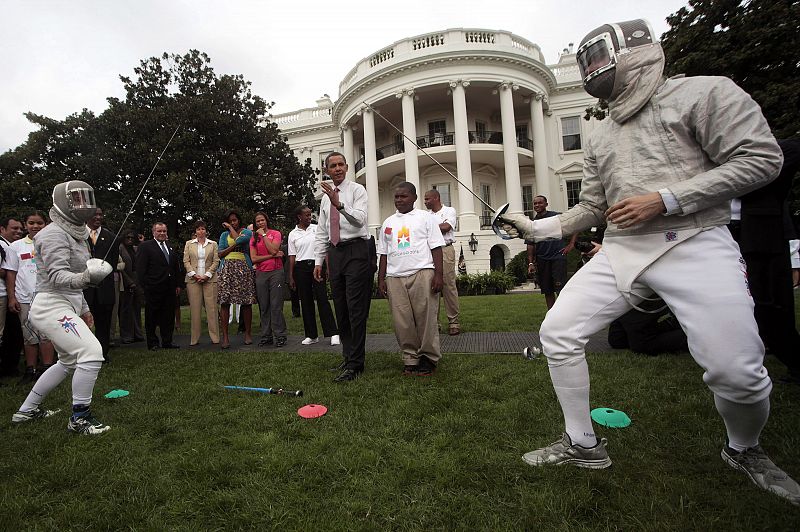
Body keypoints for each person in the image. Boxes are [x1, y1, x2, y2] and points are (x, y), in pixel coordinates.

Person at [498, 19, 799, 504]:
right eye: (587, 62)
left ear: (634, 51)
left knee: (737, 372)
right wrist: (539, 228)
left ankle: (745, 448)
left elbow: (761, 158)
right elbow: (594, 206)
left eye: (599, 57)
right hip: (622, 249)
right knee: (558, 332)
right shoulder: (599, 133)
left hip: (696, 240)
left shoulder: (705, 93)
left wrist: (666, 199)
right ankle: (583, 443)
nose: (593, 68)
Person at [11, 180, 113, 434]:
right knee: (91, 352)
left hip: (67, 303)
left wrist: (85, 307)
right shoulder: (53, 233)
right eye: (76, 199)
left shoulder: (76, 233)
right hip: (50, 305)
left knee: (67, 361)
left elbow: (76, 277)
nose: (83, 205)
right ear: (63, 201)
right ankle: (79, 419)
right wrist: (89, 279)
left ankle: (26, 411)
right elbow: (57, 277)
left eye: (85, 198)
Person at [728, 139, 800, 384]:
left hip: (761, 241)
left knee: (771, 307)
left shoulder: (771, 153)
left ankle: (794, 360)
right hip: (723, 235)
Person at [313, 152, 373, 382]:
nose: (337, 168)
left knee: (356, 308)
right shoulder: (325, 197)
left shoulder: (358, 190)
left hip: (357, 250)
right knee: (341, 309)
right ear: (327, 170)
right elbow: (322, 230)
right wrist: (319, 261)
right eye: (332, 166)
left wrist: (340, 205)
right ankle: (349, 357)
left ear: (347, 167)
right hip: (335, 253)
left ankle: (356, 363)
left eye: (340, 164)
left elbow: (360, 219)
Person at [378, 183, 444, 375]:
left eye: (403, 196)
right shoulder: (388, 222)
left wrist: (438, 274)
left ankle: (428, 358)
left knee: (426, 319)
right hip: (395, 277)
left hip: (422, 272)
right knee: (402, 321)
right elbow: (383, 252)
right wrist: (381, 278)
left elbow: (436, 247)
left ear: (414, 198)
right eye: (396, 197)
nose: (399, 200)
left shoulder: (426, 218)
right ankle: (410, 357)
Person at [5, 211, 56, 382]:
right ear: (25, 225)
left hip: (46, 296)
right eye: (31, 223)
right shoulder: (16, 246)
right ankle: (31, 369)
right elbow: (11, 273)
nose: (35, 226)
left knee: (46, 334)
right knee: (29, 336)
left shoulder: (51, 243)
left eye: (39, 223)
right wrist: (12, 297)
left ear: (45, 224)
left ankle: (48, 370)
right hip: (24, 297)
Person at [287, 205, 339, 346]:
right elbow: (292, 256)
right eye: (307, 215)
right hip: (301, 267)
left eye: (310, 215)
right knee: (305, 301)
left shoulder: (317, 229)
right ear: (299, 217)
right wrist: (291, 276)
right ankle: (311, 335)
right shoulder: (293, 234)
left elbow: (324, 248)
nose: (310, 217)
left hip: (317, 265)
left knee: (322, 298)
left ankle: (333, 333)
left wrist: (327, 267)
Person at [136, 222, 181, 351]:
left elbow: (174, 266)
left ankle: (167, 341)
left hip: (169, 287)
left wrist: (178, 284)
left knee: (168, 315)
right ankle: (153, 342)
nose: (162, 233)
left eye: (164, 231)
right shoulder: (146, 246)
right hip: (153, 287)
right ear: (153, 232)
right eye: (159, 231)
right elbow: (140, 268)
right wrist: (146, 285)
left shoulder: (169, 246)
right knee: (152, 316)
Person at [525, 196, 577, 310]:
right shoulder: (533, 224)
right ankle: (551, 314)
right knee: (547, 290)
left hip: (558, 257)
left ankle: (565, 313)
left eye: (540, 203)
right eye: (535, 204)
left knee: (560, 289)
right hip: (542, 259)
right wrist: (530, 263)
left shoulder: (556, 217)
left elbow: (575, 224)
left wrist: (571, 244)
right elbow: (530, 244)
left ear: (546, 204)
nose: (537, 205)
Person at [83, 208, 119, 362]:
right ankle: (84, 354)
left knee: (103, 323)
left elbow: (113, 262)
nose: (98, 217)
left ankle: (102, 354)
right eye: (94, 214)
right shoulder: (77, 234)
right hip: (83, 288)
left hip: (104, 288)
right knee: (84, 324)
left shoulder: (110, 237)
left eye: (100, 214)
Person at [217, 210, 255, 349]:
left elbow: (241, 240)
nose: (233, 222)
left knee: (246, 301)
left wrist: (231, 230)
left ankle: (248, 333)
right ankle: (225, 337)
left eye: (235, 220)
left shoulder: (247, 232)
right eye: (230, 221)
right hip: (226, 269)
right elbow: (220, 253)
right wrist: (234, 247)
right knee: (225, 302)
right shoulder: (223, 235)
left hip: (243, 269)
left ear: (239, 220)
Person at [423, 189, 460, 335]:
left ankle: (454, 322)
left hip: (445, 250)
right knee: (431, 287)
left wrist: (429, 228)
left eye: (427, 199)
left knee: (448, 286)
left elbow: (446, 227)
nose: (425, 202)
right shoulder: (426, 215)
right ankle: (434, 323)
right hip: (429, 251)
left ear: (436, 198)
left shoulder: (449, 211)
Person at [250, 211, 287, 348]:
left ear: (266, 221)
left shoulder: (275, 233)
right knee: (264, 305)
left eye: (262, 220)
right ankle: (266, 336)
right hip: (261, 273)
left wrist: (264, 235)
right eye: (258, 221)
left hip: (276, 272)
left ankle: (280, 335)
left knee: (276, 305)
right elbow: (254, 258)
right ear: (255, 224)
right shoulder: (253, 238)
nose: (260, 223)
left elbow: (273, 249)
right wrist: (273, 256)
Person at [182, 220, 220, 346]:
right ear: (195, 231)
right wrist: (194, 274)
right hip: (193, 280)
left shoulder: (213, 244)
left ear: (206, 230)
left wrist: (207, 275)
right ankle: (194, 339)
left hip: (210, 279)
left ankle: (215, 338)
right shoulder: (189, 244)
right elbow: (186, 261)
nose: (200, 231)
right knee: (195, 309)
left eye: (203, 229)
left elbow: (216, 261)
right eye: (198, 229)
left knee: (212, 309)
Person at [0, 217, 24, 378]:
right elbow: (5, 271)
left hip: (12, 294)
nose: (18, 231)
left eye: (20, 228)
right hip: (3, 294)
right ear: (2, 229)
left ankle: (10, 366)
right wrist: (11, 270)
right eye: (14, 228)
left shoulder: (12, 246)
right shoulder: (3, 246)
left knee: (12, 333)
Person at [118, 231, 144, 344]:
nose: (130, 239)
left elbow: (143, 253)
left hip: (137, 280)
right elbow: (119, 268)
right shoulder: (120, 248)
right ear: (123, 238)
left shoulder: (135, 249)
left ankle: (138, 333)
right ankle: (126, 335)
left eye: (132, 237)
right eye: (127, 237)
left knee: (137, 308)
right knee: (125, 310)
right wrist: (129, 282)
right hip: (124, 281)